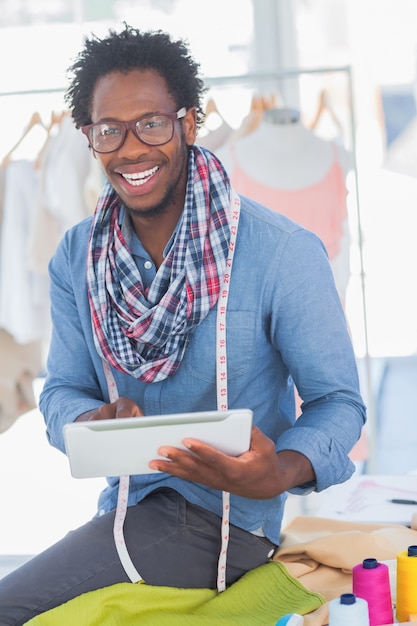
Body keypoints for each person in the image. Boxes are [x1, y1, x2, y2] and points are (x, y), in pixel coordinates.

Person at [0, 24, 366, 625]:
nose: (131, 147)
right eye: (108, 130)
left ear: (189, 123)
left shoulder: (278, 251)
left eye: (152, 123)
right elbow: (62, 391)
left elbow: (339, 401)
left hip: (229, 527)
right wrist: (89, 422)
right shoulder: (77, 256)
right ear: (90, 139)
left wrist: (279, 471)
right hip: (126, 512)